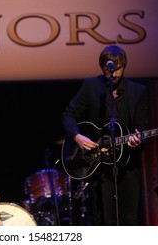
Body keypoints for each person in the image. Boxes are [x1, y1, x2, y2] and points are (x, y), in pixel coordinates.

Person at [61, 45, 148, 225]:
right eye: (109, 70)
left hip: (128, 164)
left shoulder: (137, 91)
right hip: (99, 165)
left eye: (118, 69)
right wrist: (77, 137)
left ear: (124, 66)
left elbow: (142, 128)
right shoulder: (91, 86)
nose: (114, 74)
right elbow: (68, 115)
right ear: (102, 68)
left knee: (129, 219)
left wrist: (137, 139)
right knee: (102, 220)